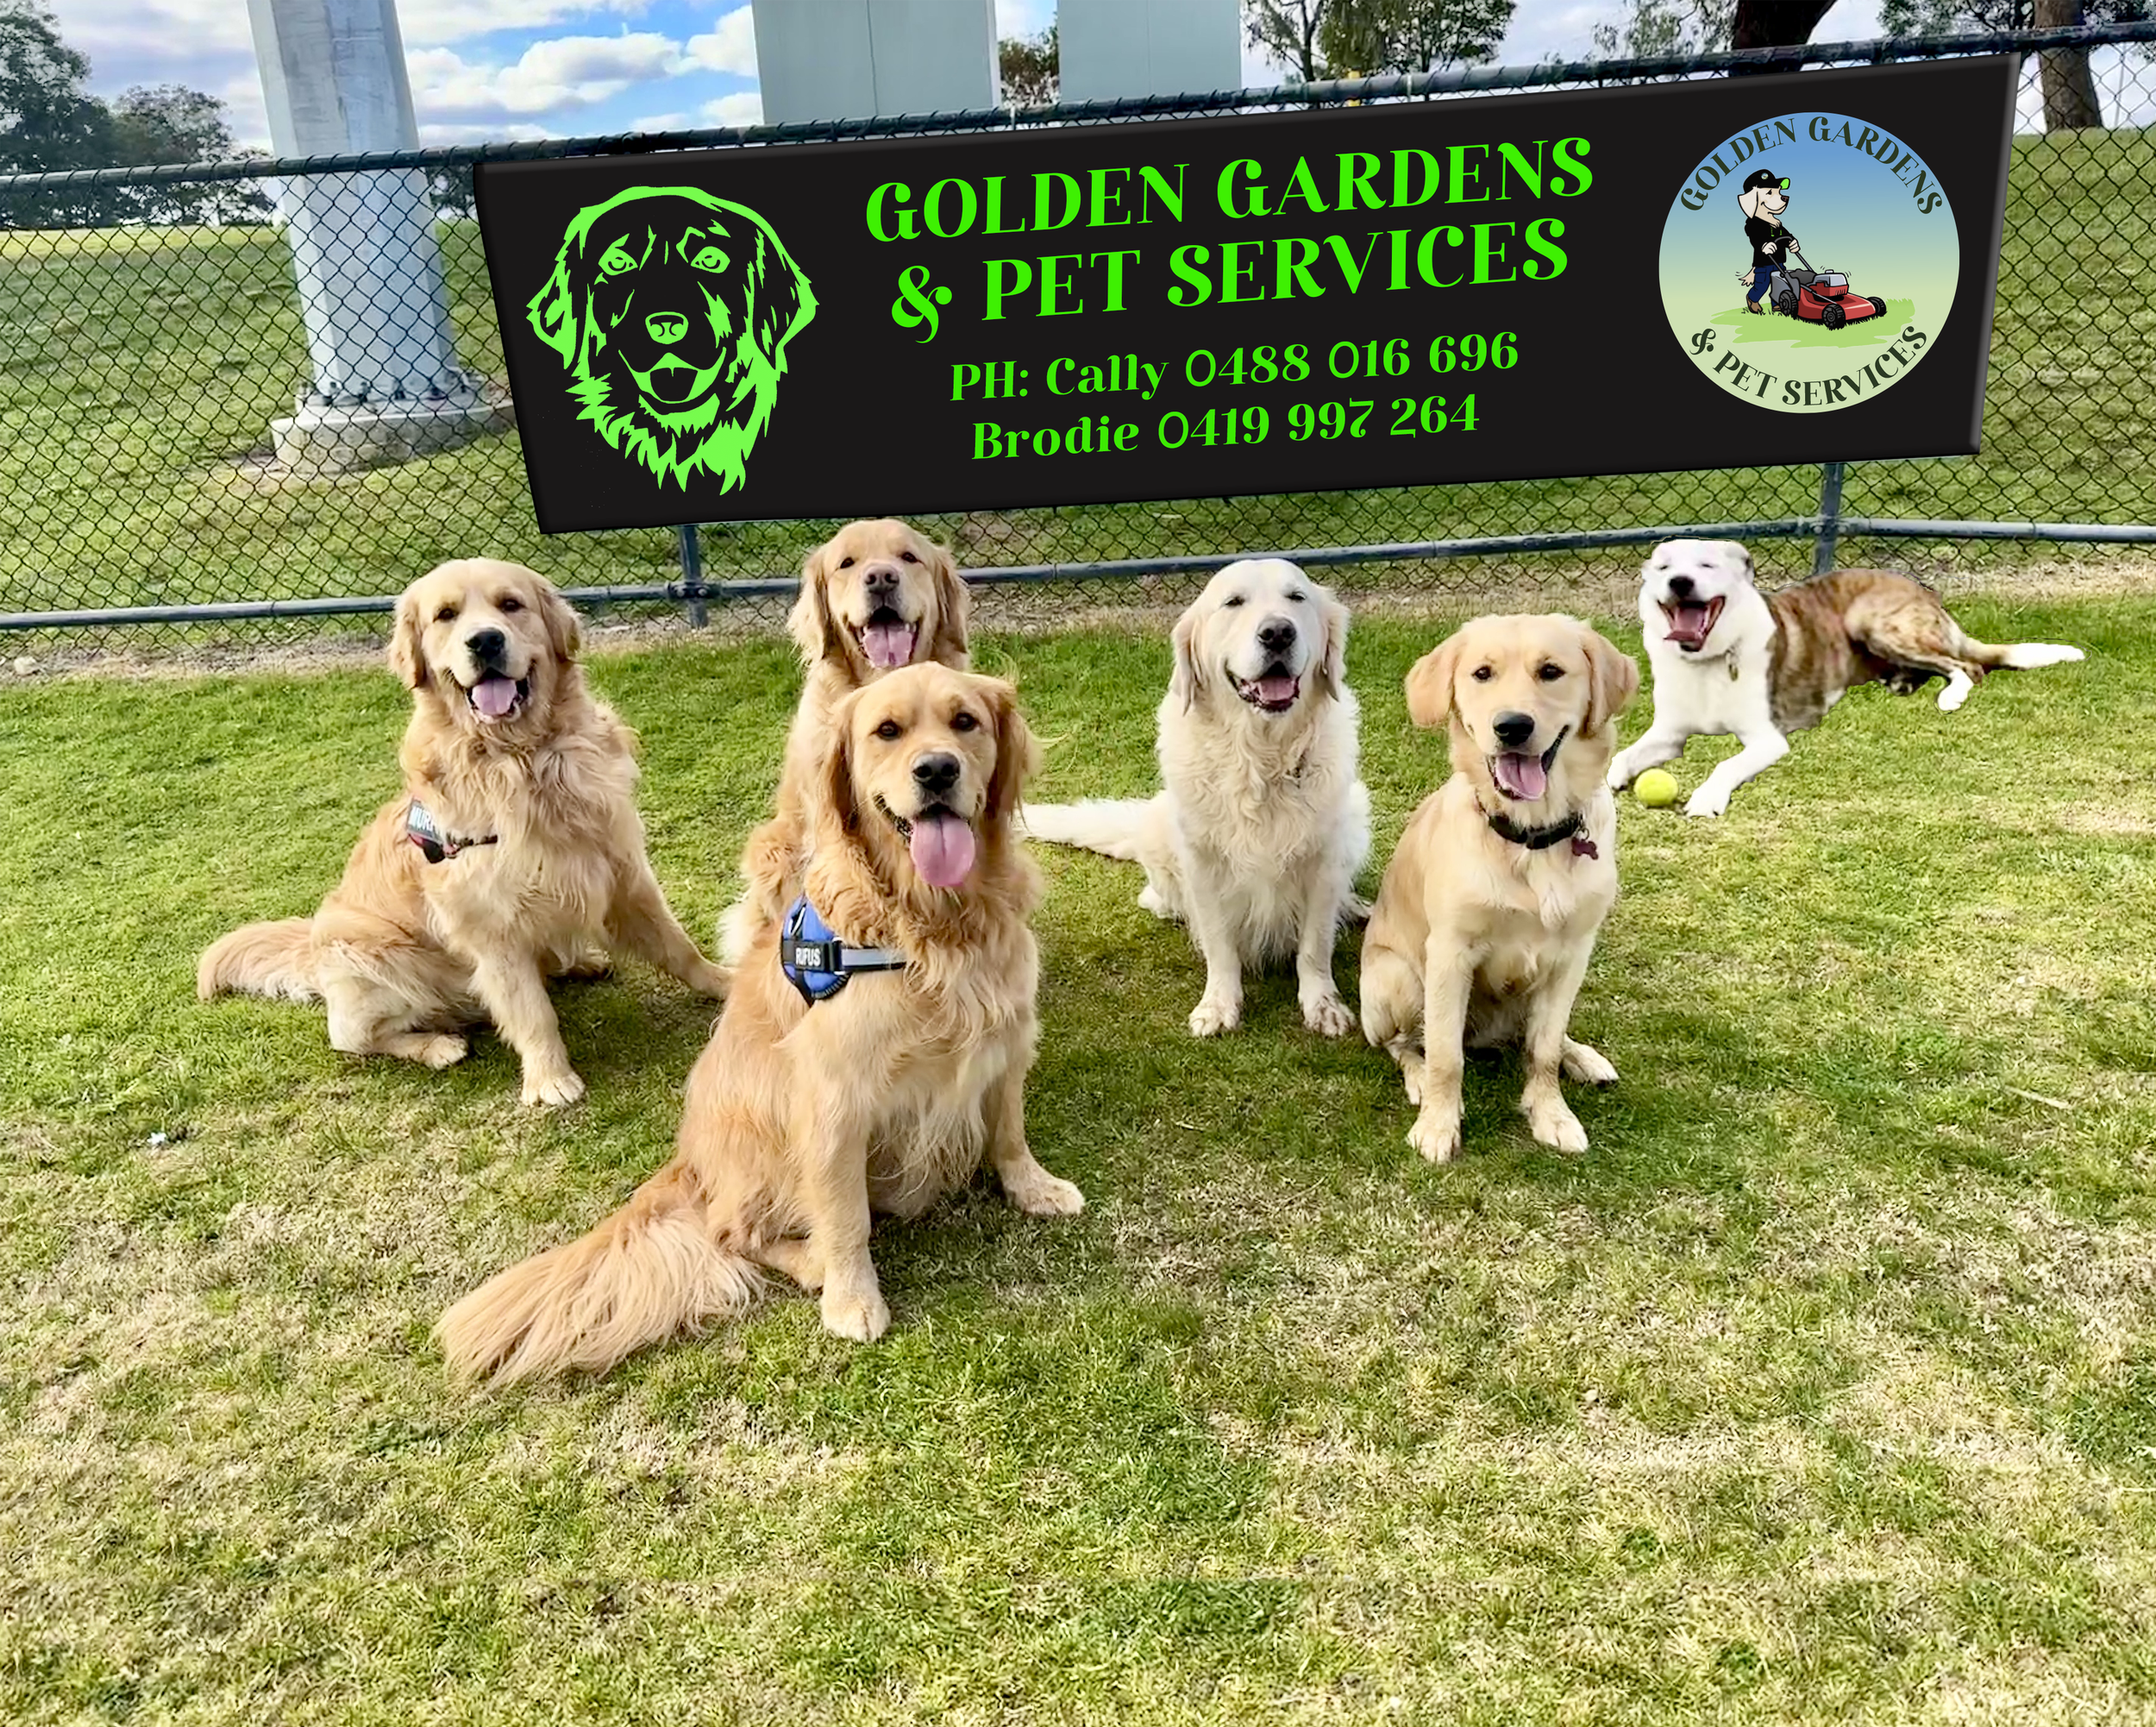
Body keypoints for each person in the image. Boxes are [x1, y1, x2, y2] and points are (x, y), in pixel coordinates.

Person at [1737, 169, 1796, 316]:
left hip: (1779, 261)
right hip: (1764, 263)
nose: (1782, 197)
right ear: (1752, 199)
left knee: (1781, 284)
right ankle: (1752, 298)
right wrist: (1763, 245)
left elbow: (1786, 235)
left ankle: (1778, 304)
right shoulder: (1753, 224)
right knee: (1762, 285)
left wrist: (1792, 242)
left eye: (1778, 192)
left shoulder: (1777, 224)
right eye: (1770, 193)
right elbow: (1754, 237)